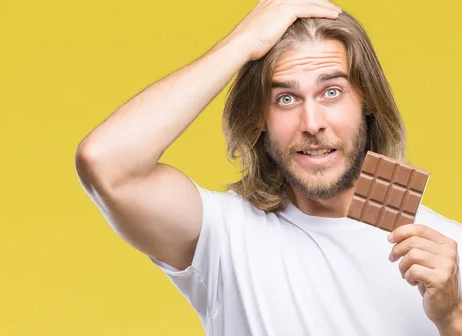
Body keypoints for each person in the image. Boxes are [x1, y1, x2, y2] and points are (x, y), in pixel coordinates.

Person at [75, 1, 462, 335]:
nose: (312, 123)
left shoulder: (449, 252)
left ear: (368, 102)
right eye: (286, 98)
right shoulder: (224, 236)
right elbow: (105, 162)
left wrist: (451, 318)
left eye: (332, 92)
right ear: (260, 118)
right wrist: (243, 42)